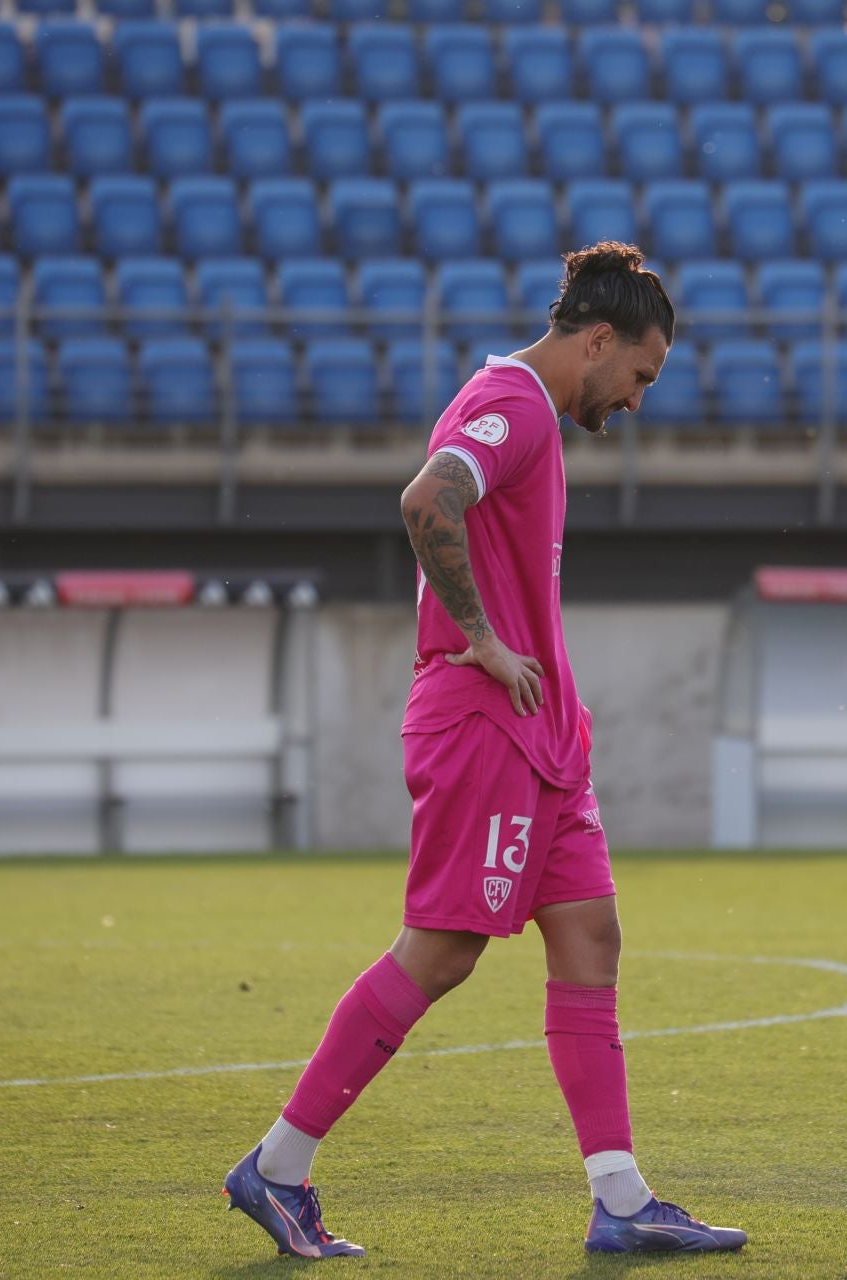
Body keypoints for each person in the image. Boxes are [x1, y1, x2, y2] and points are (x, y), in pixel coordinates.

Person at [223, 243, 747, 1258]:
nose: (637, 400)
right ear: (598, 341)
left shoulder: (534, 417)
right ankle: (278, 1166)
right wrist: (479, 637)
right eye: (638, 375)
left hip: (545, 732)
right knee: (445, 947)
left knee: (590, 938)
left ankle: (622, 1198)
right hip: (485, 721)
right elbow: (428, 500)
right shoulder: (510, 403)